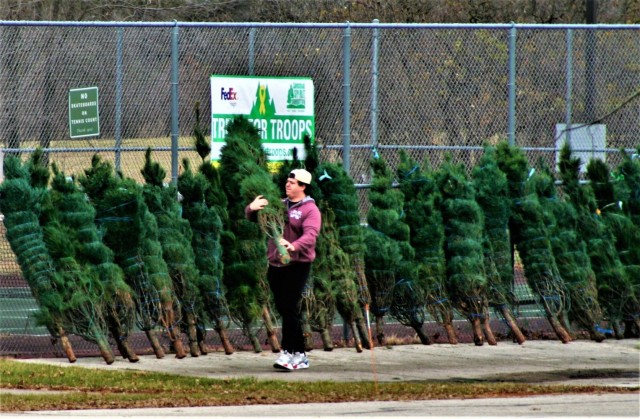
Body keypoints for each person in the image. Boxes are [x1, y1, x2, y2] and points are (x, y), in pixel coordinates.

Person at [246, 169, 321, 371]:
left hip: (297, 265)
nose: (288, 185)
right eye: (287, 181)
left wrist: (294, 246)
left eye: (293, 182)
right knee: (286, 309)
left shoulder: (310, 209)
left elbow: (311, 234)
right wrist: (252, 209)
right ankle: (300, 354)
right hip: (275, 264)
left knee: (289, 307)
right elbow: (256, 218)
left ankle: (287, 353)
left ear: (303, 186)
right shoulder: (280, 205)